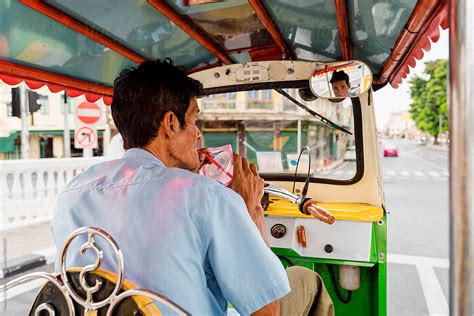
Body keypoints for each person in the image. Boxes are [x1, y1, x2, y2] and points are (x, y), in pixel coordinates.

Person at [52, 58, 334, 315]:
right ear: (171, 124)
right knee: (306, 281)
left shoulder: (72, 195)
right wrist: (251, 208)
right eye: (193, 119)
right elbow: (265, 310)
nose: (199, 133)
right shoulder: (206, 196)